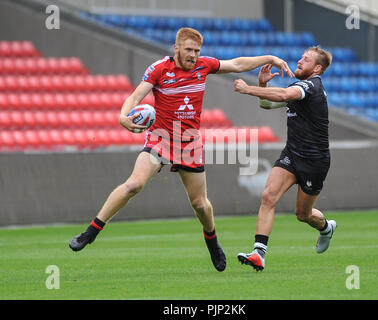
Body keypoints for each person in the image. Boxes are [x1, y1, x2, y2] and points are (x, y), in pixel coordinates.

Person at [69, 27, 294, 272]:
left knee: (200, 204)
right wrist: (123, 116)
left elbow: (238, 64)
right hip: (161, 139)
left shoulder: (204, 66)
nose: (194, 55)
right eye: (188, 50)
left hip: (189, 143)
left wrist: (270, 58)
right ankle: (91, 232)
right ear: (176, 48)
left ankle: (212, 240)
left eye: (197, 51)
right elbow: (136, 96)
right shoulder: (159, 69)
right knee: (134, 185)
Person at [233, 46, 335, 271]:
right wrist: (262, 85)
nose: (299, 61)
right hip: (292, 154)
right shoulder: (299, 87)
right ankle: (259, 253)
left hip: (314, 162)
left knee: (303, 214)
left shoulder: (312, 86)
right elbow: (267, 104)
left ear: (317, 68)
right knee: (268, 197)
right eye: (300, 57)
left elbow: (283, 95)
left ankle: (326, 228)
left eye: (305, 60)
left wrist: (247, 88)